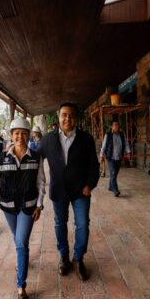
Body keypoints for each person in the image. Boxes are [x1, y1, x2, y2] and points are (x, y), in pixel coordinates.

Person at [37, 102, 99, 281]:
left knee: (82, 225)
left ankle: (79, 258)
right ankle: (64, 257)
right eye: (64, 114)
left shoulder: (86, 139)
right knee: (59, 224)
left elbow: (93, 166)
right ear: (58, 116)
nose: (67, 118)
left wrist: (90, 184)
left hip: (81, 191)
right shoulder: (48, 139)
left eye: (71, 115)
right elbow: (35, 156)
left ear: (76, 118)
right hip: (59, 191)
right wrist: (13, 150)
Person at [0, 117, 46, 299]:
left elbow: (41, 182)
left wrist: (39, 204)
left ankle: (21, 284)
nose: (20, 136)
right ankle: (22, 262)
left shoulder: (36, 157)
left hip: (28, 207)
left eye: (23, 133)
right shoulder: (2, 157)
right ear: (11, 136)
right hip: (8, 207)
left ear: (29, 135)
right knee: (17, 239)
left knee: (21, 242)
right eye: (16, 133)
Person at [99, 120, 131, 197]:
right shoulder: (108, 135)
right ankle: (115, 190)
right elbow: (103, 146)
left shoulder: (122, 135)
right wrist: (101, 156)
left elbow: (126, 144)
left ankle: (110, 186)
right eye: (115, 125)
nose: (117, 126)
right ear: (111, 127)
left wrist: (129, 152)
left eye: (118, 125)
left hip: (119, 157)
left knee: (115, 174)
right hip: (110, 157)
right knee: (113, 173)